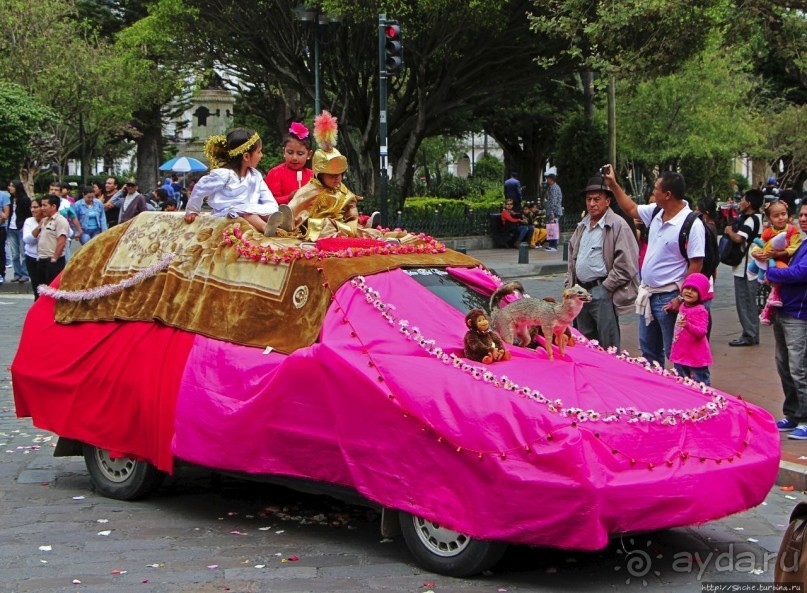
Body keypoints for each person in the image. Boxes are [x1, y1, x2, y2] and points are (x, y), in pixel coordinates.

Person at [603, 166, 705, 368]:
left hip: (670, 298)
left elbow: (696, 264)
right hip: (648, 295)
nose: (653, 192)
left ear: (668, 194)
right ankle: (654, 385)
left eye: (656, 189)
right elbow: (631, 209)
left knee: (676, 352)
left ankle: (682, 387)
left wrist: (680, 299)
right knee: (649, 351)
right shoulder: (657, 212)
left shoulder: (692, 224)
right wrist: (613, 185)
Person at [565, 175, 639, 349]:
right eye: (588, 199)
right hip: (580, 292)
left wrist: (606, 288)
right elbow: (572, 259)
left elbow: (627, 264)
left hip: (602, 290)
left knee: (608, 344)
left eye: (597, 199)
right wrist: (570, 285)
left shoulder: (618, 225)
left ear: (607, 201)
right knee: (584, 342)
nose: (592, 204)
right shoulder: (582, 225)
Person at [287, 111, 380, 240]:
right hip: (320, 226)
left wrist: (353, 219)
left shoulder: (341, 189)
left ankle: (368, 229)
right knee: (326, 225)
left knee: (358, 230)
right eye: (331, 175)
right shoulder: (310, 190)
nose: (336, 178)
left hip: (342, 225)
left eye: (339, 174)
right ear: (320, 175)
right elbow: (294, 212)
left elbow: (350, 206)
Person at [184, 128, 280, 235]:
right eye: (258, 152)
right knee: (246, 212)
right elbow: (200, 189)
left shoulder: (255, 175)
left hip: (251, 209)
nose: (261, 155)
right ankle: (265, 227)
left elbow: (266, 195)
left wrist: (272, 209)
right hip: (227, 213)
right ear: (246, 156)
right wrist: (192, 210)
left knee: (265, 211)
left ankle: (280, 222)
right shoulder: (224, 174)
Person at [768, 202, 807, 439]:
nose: (803, 219)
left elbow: (800, 273)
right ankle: (793, 413)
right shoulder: (801, 243)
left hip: (800, 315)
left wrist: (771, 272)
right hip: (784, 311)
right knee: (784, 366)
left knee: (799, 368)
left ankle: (805, 419)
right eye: (801, 215)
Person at [723, 189, 764, 346]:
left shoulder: (751, 220)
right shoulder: (755, 218)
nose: (741, 202)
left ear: (749, 203)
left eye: (743, 199)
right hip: (750, 267)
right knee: (749, 302)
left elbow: (739, 238)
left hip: (746, 268)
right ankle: (752, 334)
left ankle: (749, 335)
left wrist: (729, 231)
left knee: (745, 302)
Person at [750, 199, 801, 324]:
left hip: (786, 262)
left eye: (783, 214)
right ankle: (770, 308)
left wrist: (779, 253)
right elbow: (759, 245)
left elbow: (795, 247)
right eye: (776, 216)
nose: (781, 218)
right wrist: (756, 254)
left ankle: (768, 310)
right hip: (771, 262)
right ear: (769, 218)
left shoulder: (792, 230)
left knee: (780, 282)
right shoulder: (768, 232)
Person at [669, 272, 713, 385]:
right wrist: (669, 307)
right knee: (683, 381)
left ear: (700, 294)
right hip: (682, 352)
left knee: (700, 383)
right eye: (687, 288)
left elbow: (702, 332)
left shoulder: (700, 311)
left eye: (694, 290)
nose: (689, 291)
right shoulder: (683, 306)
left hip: (695, 356)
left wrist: (688, 325)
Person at [264, 121, 314, 205]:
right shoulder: (275, 173)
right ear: (284, 151)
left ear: (309, 154)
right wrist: (288, 198)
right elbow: (268, 201)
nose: (294, 158)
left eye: (300, 154)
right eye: (290, 152)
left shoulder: (312, 176)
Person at [33, 195, 69, 285]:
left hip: (53, 261)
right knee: (40, 288)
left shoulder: (60, 220)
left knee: (52, 289)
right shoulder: (45, 220)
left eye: (45, 205)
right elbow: (34, 235)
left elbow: (62, 242)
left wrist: (54, 259)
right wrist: (40, 225)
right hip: (41, 259)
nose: (42, 208)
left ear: (53, 206)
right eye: (41, 205)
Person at [7, 180, 32, 284]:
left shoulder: (24, 199)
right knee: (14, 254)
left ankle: (25, 274)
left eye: (12, 186)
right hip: (11, 228)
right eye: (9, 186)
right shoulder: (10, 199)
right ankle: (17, 273)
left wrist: (24, 226)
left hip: (21, 227)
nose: (10, 188)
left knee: (24, 252)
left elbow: (28, 214)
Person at [21, 198, 45, 299]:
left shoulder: (53, 220)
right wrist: (39, 227)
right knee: (37, 289)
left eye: (36, 207)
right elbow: (28, 240)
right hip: (32, 258)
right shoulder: (29, 221)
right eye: (31, 207)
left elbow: (69, 233)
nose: (33, 210)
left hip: (47, 259)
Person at [544, 172, 563, 251]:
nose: (547, 180)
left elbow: (554, 201)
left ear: (551, 179)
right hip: (554, 211)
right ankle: (551, 245)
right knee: (551, 228)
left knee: (553, 228)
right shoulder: (552, 187)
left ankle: (553, 246)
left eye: (548, 179)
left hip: (554, 212)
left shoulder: (554, 188)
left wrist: (552, 212)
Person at [0, 181, 9, 285]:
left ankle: (1, 274)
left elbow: (5, 215)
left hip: (1, 228)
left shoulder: (4, 195)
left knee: (1, 252)